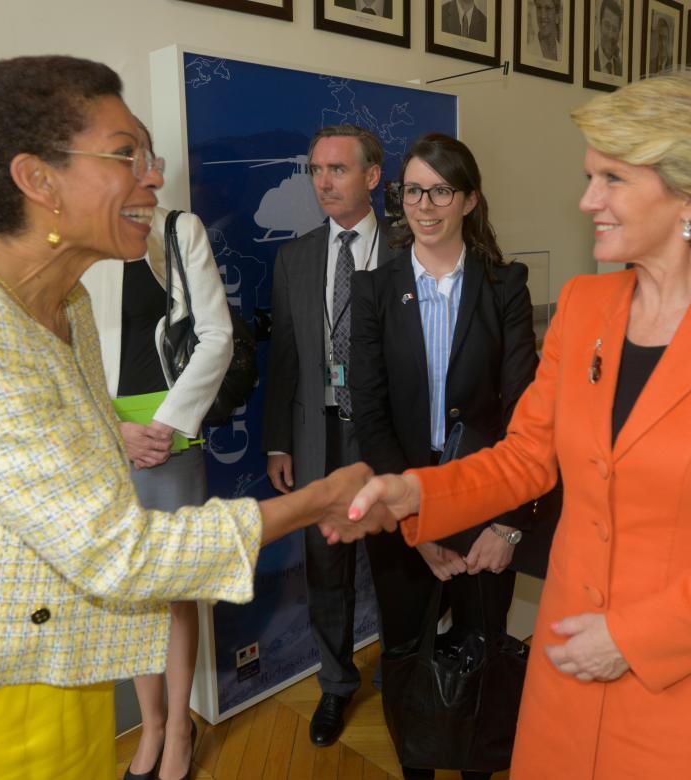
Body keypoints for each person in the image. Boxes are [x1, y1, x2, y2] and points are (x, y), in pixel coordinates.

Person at [0, 55, 392, 780]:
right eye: (127, 154)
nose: (154, 175)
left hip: (63, 693)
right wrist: (315, 499)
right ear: (39, 180)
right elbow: (120, 555)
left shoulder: (63, 308)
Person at [349, 71, 691, 778]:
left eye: (610, 178)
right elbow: (526, 457)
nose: (586, 201)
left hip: (687, 683)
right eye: (589, 176)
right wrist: (418, 494)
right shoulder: (584, 306)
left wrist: (633, 638)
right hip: (568, 666)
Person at [349, 133, 538, 780]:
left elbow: (524, 416)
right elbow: (368, 414)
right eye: (412, 190)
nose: (424, 205)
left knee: (482, 651)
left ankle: (482, 767)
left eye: (440, 190)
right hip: (402, 498)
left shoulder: (503, 285)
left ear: (469, 199)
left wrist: (506, 521)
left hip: (487, 500)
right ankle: (418, 767)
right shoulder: (373, 290)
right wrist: (415, 521)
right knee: (406, 650)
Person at [80, 123, 229, 777]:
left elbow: (217, 337)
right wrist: (112, 429)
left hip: (171, 433)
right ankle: (152, 726)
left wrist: (165, 424)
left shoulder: (178, 231)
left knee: (171, 590)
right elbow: (64, 349)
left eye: (141, 156)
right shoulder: (80, 240)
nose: (141, 169)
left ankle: (178, 735)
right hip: (106, 438)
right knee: (129, 593)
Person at [262, 124, 392, 748]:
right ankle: (336, 687)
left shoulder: (406, 248)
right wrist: (279, 441)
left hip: (387, 436)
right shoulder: (296, 257)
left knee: (400, 556)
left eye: (337, 169)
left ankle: (405, 669)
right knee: (327, 567)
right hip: (319, 436)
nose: (323, 182)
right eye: (316, 169)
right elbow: (283, 357)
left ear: (371, 177)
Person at [593, 0, 623, 76]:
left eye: (615, 29)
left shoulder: (621, 70)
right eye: (607, 25)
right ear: (600, 25)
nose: (611, 35)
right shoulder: (590, 62)